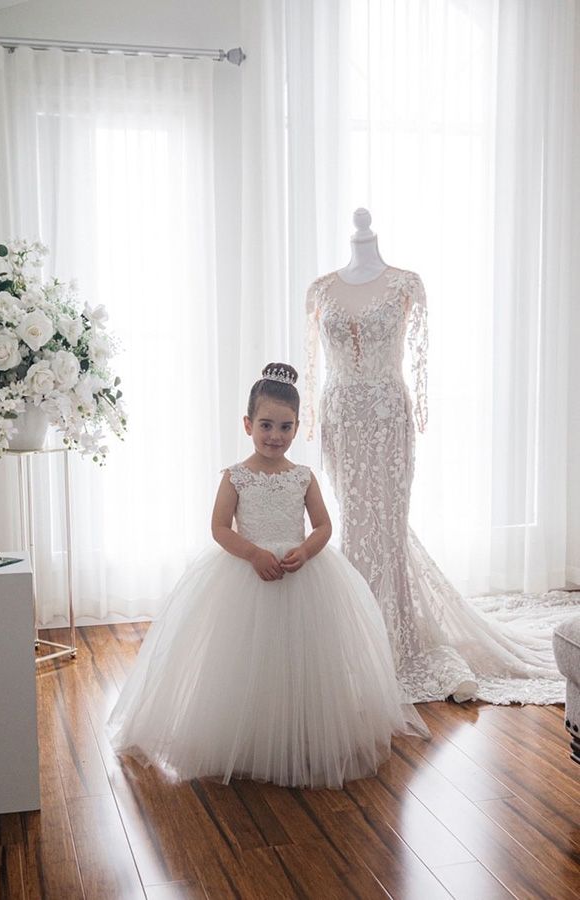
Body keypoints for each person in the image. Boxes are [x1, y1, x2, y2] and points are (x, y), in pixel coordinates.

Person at [107, 362, 429, 789]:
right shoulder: (235, 476)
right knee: (245, 658)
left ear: (297, 428)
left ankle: (301, 731)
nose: (275, 436)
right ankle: (248, 733)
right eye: (266, 425)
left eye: (285, 426)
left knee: (303, 658)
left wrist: (306, 550)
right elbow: (220, 528)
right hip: (247, 572)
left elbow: (324, 526)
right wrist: (254, 553)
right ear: (247, 424)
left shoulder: (303, 477)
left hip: (301, 577)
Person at [305, 208, 567, 705]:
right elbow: (315, 365)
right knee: (356, 521)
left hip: (386, 418)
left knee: (386, 523)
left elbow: (417, 365)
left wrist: (413, 408)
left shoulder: (408, 283)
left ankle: (392, 638)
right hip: (342, 418)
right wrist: (315, 420)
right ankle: (357, 631)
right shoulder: (320, 290)